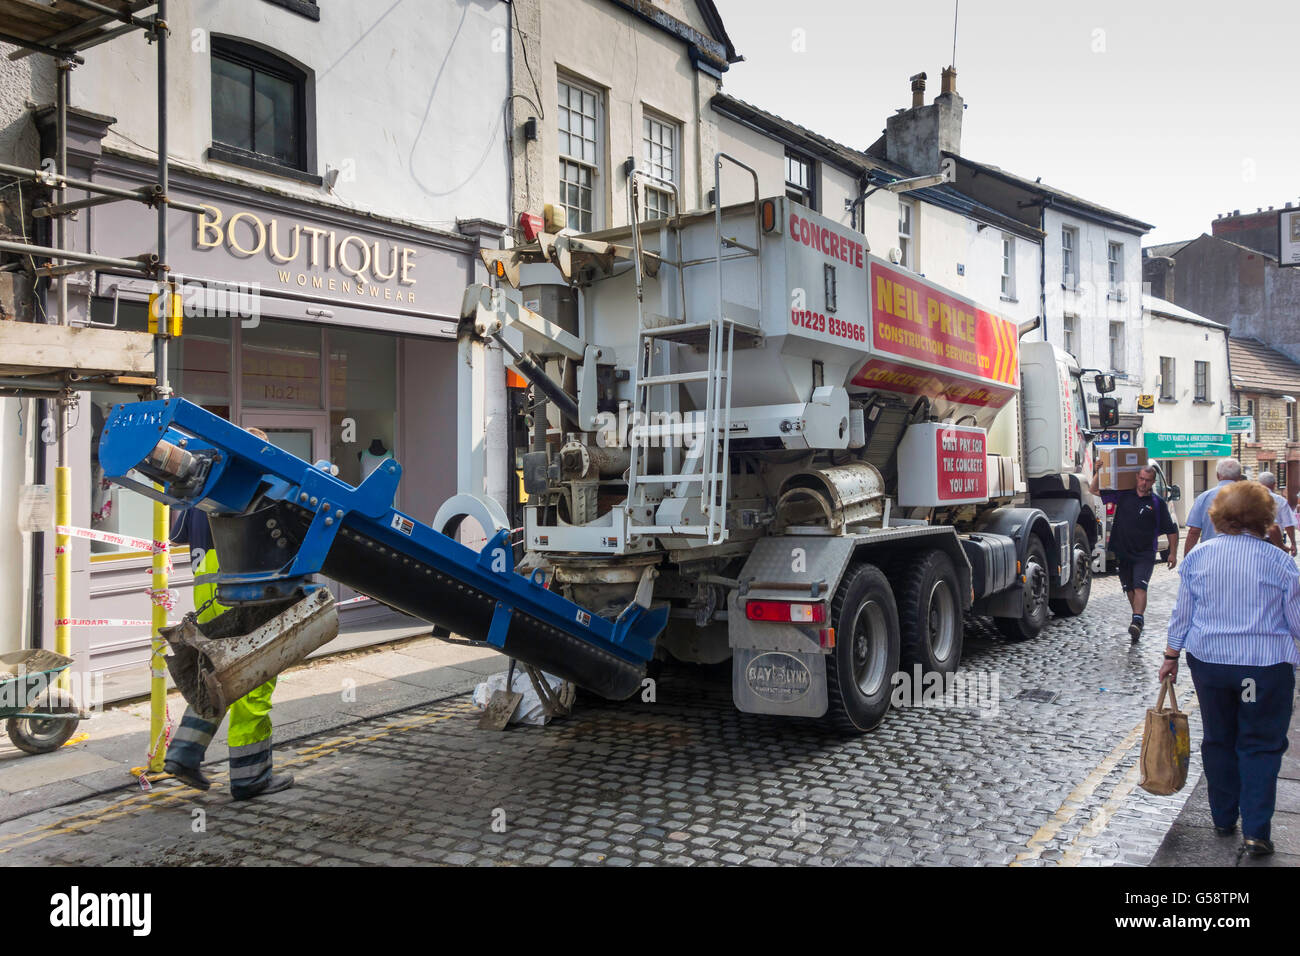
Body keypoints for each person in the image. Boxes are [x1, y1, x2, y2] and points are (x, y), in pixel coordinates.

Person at [1160, 481, 1300, 857]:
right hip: (1261, 670)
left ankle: (1223, 817)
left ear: (1219, 516)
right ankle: (1256, 830)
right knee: (1259, 745)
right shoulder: (1281, 563)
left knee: (1219, 738)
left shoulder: (1199, 557)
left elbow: (1182, 614)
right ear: (1265, 519)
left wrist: (1171, 656)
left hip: (1211, 665)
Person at [164, 427, 293, 801]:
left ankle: (185, 752)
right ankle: (251, 777)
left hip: (210, 593)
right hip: (244, 595)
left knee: (215, 677)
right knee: (252, 681)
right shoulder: (256, 485)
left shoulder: (205, 486)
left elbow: (182, 535)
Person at [1092, 462, 1178, 642]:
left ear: (1153, 482)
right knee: (1129, 588)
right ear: (1136, 478)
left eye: (1147, 480)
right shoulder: (1123, 495)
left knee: (1140, 586)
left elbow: (1171, 530)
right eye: (1141, 479)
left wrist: (1172, 553)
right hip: (1123, 551)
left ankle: (1137, 621)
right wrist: (1098, 470)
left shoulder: (1157, 503)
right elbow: (1094, 490)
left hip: (1145, 553)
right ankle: (1138, 619)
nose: (1143, 483)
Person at [1183, 458, 1243, 555]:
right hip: (1243, 555)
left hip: (1210, 554)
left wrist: (1187, 560)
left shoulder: (1204, 497)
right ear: (1239, 476)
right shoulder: (1250, 497)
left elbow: (1194, 531)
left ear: (1218, 475)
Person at [1257, 470, 1297, 556]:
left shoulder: (1250, 499)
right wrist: (1293, 543)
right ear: (1274, 484)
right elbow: (1288, 524)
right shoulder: (1280, 500)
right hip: (1275, 541)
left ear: (1259, 484)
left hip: (1254, 540)